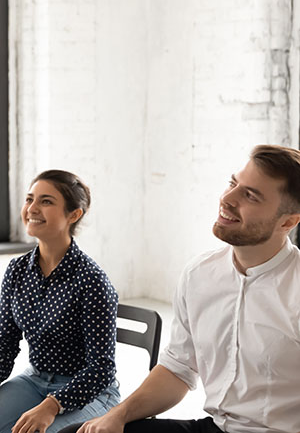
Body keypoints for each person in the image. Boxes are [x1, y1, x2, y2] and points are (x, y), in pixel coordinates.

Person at [61, 144, 300, 433]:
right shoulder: (199, 274)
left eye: (250, 195)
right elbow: (178, 369)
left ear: (287, 221)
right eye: (233, 184)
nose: (227, 199)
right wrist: (118, 415)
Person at [0, 170, 119, 433]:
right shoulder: (17, 270)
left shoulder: (92, 281)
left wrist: (51, 406)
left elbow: (101, 369)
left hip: (90, 392)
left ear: (73, 215)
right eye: (29, 199)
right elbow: (5, 340)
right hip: (35, 380)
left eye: (46, 201)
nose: (32, 208)